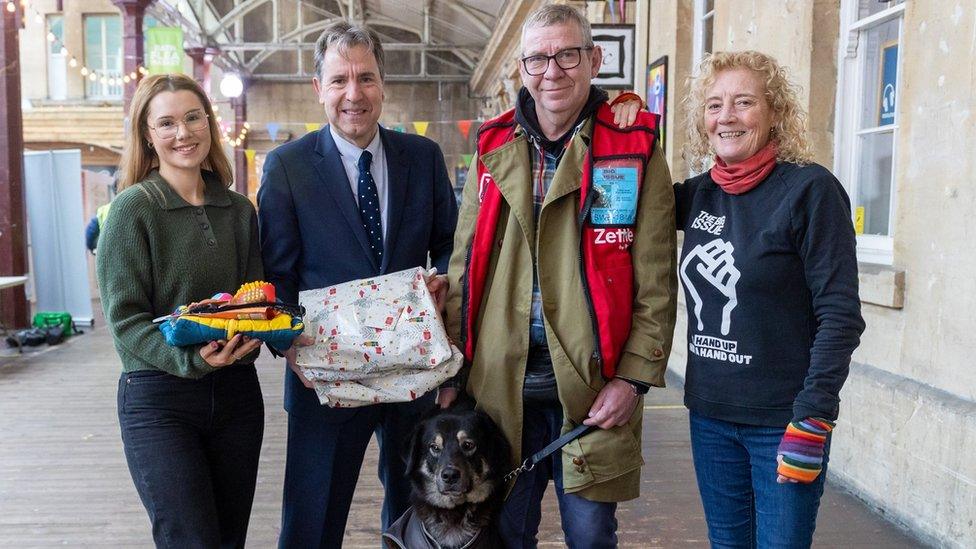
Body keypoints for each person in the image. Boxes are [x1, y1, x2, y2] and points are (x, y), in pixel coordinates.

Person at [443, 5, 678, 547]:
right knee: (504, 532)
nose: (553, 71)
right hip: (501, 388)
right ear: (521, 69)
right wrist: (453, 371)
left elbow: (656, 279)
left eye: (567, 54)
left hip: (592, 390)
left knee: (591, 535)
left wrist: (634, 379)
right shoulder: (491, 144)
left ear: (594, 59)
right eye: (538, 58)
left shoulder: (634, 145)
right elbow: (464, 266)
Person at [256, 22, 459, 548]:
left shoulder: (424, 157)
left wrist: (442, 286)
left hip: (412, 373)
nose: (354, 94)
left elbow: (451, 248)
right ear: (318, 88)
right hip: (325, 376)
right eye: (339, 80)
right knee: (311, 522)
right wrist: (289, 348)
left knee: (417, 516)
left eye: (365, 78)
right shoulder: (287, 168)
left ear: (383, 83)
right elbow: (276, 277)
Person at [674, 50, 865, 547]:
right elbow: (619, 190)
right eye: (714, 105)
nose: (727, 117)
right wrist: (615, 109)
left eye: (744, 102)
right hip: (711, 416)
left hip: (783, 421)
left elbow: (840, 315)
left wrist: (813, 416)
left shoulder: (810, 191)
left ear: (775, 111)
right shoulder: (697, 195)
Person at [96, 74, 265, 548]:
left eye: (193, 118)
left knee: (228, 539)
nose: (183, 133)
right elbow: (125, 318)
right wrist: (191, 359)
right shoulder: (132, 210)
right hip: (158, 398)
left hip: (236, 394)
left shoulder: (237, 210)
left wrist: (261, 333)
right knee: (190, 539)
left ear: (209, 124)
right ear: (147, 136)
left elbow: (254, 299)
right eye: (166, 123)